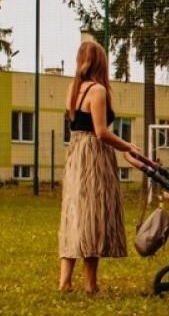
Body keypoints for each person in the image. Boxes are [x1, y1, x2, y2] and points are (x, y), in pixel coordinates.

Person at [58, 38, 153, 293]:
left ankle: (64, 281)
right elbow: (101, 132)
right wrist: (128, 146)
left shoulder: (72, 89)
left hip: (75, 152)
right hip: (93, 156)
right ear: (101, 63)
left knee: (73, 214)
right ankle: (90, 284)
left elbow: (79, 125)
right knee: (93, 214)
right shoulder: (97, 91)